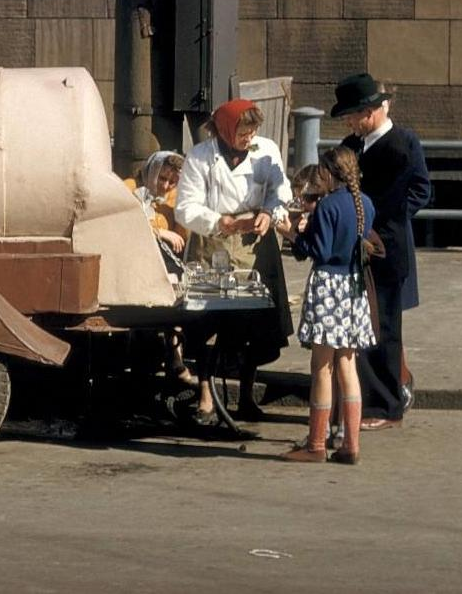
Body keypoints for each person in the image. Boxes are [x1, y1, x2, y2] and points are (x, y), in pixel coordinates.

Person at [175, 98, 295, 424]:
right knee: (207, 324)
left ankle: (245, 395)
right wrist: (221, 222)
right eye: (244, 130)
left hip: (255, 246)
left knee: (253, 324)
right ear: (227, 129)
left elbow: (281, 192)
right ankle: (206, 396)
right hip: (212, 243)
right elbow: (185, 207)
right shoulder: (201, 157)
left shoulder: (266, 150)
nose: (250, 136)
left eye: (253, 129)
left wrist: (270, 212)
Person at [331, 73, 431, 430]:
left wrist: (384, 221)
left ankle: (388, 405)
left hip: (386, 246)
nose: (349, 123)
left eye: (351, 116)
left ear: (369, 112)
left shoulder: (402, 142)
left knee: (385, 327)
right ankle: (364, 400)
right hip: (356, 248)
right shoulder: (352, 145)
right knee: (362, 326)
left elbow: (420, 190)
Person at [275, 146, 377, 464]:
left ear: (329, 173)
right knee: (348, 365)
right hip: (353, 286)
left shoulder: (327, 206)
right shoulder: (365, 204)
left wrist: (290, 233)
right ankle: (351, 443)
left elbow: (319, 251)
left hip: (328, 286)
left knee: (322, 367)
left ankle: (317, 444)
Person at [123, 151, 213, 415]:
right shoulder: (130, 189)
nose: (165, 186)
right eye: (162, 178)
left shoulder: (173, 199)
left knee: (175, 309)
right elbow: (124, 222)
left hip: (165, 268)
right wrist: (159, 231)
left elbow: (182, 236)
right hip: (134, 266)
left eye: (172, 182)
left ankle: (175, 362)